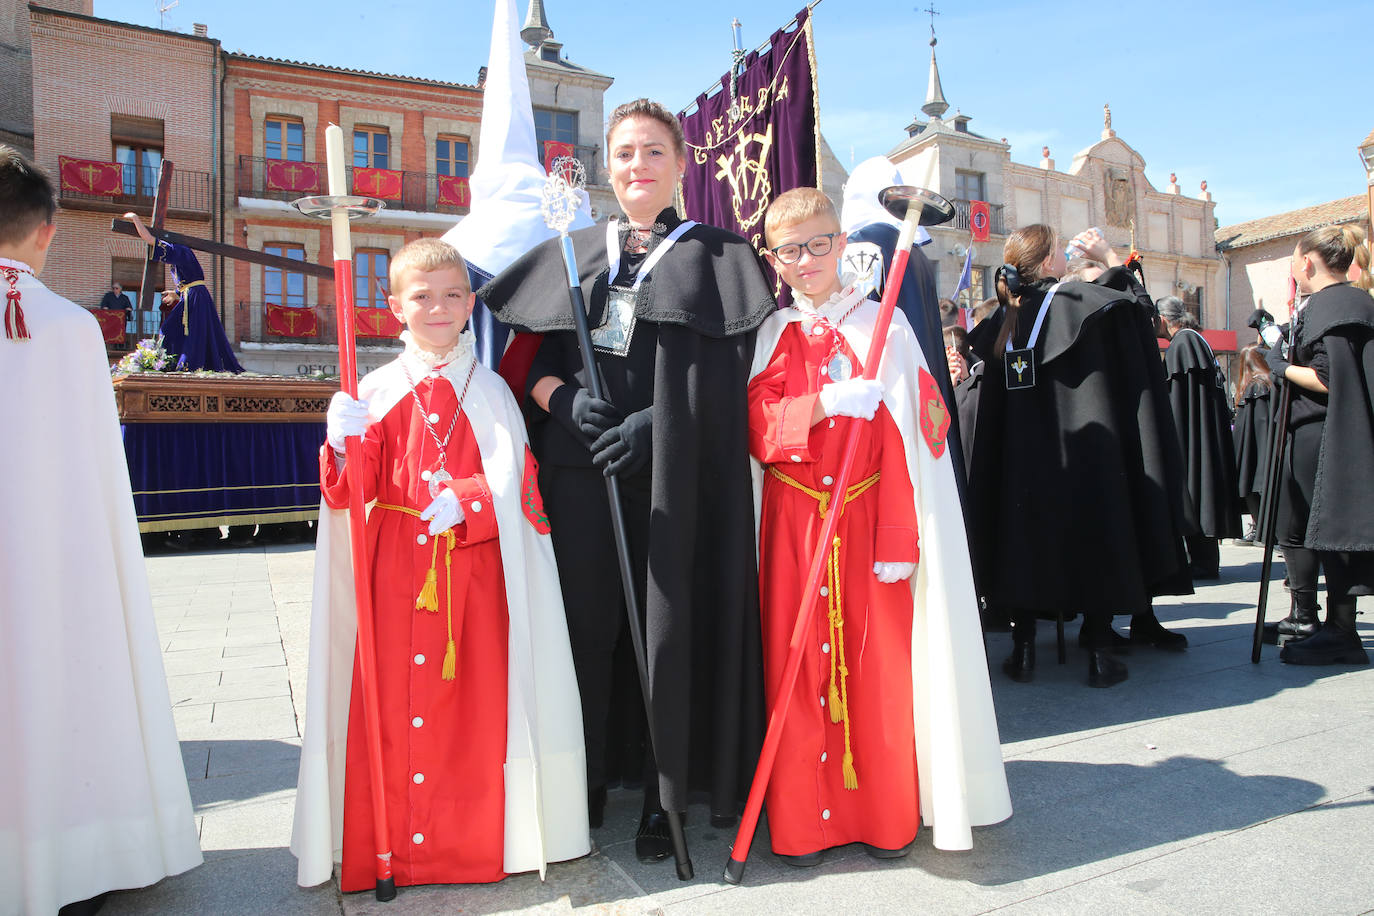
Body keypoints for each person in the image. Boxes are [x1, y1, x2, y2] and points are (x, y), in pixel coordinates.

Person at [478, 98, 772, 861]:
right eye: (623, 153)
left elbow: (732, 378)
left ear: (680, 164)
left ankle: (660, 792)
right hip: (580, 473)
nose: (636, 165)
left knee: (663, 630)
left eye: (652, 151)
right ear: (606, 168)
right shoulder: (575, 251)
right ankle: (587, 778)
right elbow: (528, 367)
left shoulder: (719, 254)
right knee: (587, 627)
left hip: (673, 478)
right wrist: (566, 402)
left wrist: (656, 425)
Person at [290, 238, 589, 890]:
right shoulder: (375, 387)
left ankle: (464, 847)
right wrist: (340, 445)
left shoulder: (492, 392)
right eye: (422, 296)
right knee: (393, 715)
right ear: (394, 306)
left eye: (454, 295)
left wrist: (475, 500)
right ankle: (393, 844)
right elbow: (352, 492)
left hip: (476, 583)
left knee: (472, 721)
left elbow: (525, 488)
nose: (439, 307)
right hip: (394, 577)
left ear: (470, 303)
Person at [746, 188, 1010, 866]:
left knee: (881, 670)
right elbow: (756, 429)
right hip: (795, 526)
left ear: (841, 242)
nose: (805, 261)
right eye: (789, 250)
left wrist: (900, 533)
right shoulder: (772, 335)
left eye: (818, 244)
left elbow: (919, 443)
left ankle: (884, 815)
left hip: (870, 523)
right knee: (797, 670)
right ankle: (805, 824)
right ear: (773, 260)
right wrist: (822, 402)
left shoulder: (886, 330)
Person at [0, 145, 203, 914]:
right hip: (55, 558)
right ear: (47, 232)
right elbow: (94, 470)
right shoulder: (69, 328)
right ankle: (78, 851)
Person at [959, 224, 1193, 687]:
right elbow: (1142, 317)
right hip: (1084, 450)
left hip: (1021, 462)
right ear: (1049, 263)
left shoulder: (1001, 320)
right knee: (1095, 536)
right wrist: (1110, 260)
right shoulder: (1080, 304)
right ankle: (1100, 652)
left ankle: (1023, 649)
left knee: (1022, 541)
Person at [1265, 226, 1374, 665]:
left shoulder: (1335, 304)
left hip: (1326, 432)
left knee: (1333, 533)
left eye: (1293, 258)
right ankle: (1311, 617)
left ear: (1306, 262)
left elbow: (1329, 378)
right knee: (1302, 526)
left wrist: (1280, 367)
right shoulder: (1341, 303)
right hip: (1311, 431)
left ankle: (1342, 631)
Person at [1156, 295, 1244, 578]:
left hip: (1192, 438)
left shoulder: (1184, 343)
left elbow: (1181, 401)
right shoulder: (1195, 340)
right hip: (1202, 435)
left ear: (1164, 319)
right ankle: (1203, 560)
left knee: (1196, 492)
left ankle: (1203, 562)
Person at [124, 211, 243, 372]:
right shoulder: (182, 253)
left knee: (173, 329)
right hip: (193, 295)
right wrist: (177, 293)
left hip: (195, 298)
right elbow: (190, 280)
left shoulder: (178, 250)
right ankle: (174, 361)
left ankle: (181, 364)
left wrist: (135, 219)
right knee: (183, 330)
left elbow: (149, 239)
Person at [1232, 344, 1274, 543]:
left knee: (1252, 487)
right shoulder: (1269, 384)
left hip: (1256, 451)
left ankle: (1264, 530)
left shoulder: (1256, 387)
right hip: (1264, 449)